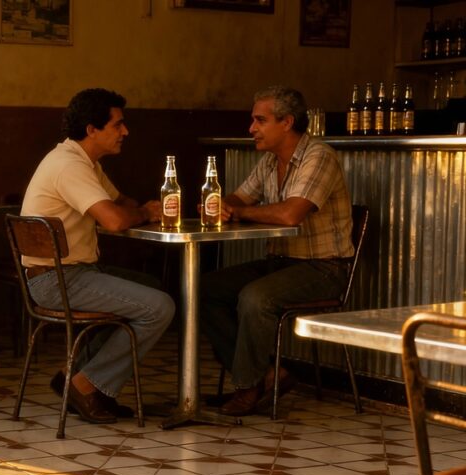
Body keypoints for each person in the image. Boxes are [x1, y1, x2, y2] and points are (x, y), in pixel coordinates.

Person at [20, 88, 175, 424]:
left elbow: (122, 203)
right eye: (118, 125)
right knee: (159, 307)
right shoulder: (69, 165)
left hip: (67, 275)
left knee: (148, 287)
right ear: (92, 129)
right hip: (57, 280)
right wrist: (147, 214)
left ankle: (72, 377)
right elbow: (116, 220)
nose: (125, 132)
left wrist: (144, 208)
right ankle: (88, 384)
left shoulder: (84, 161)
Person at [201, 86, 354, 416]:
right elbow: (239, 199)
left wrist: (239, 213)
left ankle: (247, 387)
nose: (251, 128)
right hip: (282, 263)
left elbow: (290, 214)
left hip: (324, 269)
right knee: (205, 289)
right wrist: (222, 206)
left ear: (286, 122)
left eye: (260, 120)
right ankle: (267, 376)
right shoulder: (271, 161)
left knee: (255, 298)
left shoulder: (319, 157)